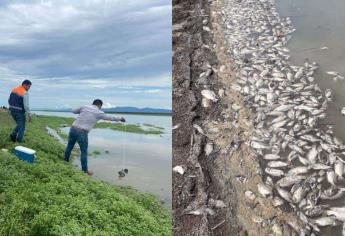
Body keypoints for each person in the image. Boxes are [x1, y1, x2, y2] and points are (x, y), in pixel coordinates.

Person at [64, 99, 126, 175]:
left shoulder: (84, 107)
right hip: (82, 132)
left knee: (69, 146)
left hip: (73, 129)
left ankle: (65, 161)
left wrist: (81, 111)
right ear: (100, 105)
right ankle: (84, 171)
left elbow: (73, 111)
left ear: (93, 103)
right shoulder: (99, 112)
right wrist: (120, 118)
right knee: (83, 152)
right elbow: (110, 117)